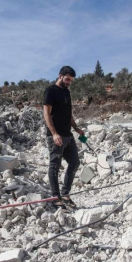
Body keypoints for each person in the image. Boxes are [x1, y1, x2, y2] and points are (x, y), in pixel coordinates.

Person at [43, 66, 84, 208]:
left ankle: (65, 194)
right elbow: (46, 114)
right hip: (56, 136)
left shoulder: (67, 92)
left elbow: (69, 114)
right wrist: (54, 134)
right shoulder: (50, 91)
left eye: (71, 81)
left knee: (75, 163)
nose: (69, 83)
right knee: (55, 165)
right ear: (60, 76)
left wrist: (77, 128)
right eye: (67, 79)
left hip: (68, 135)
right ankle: (55, 197)